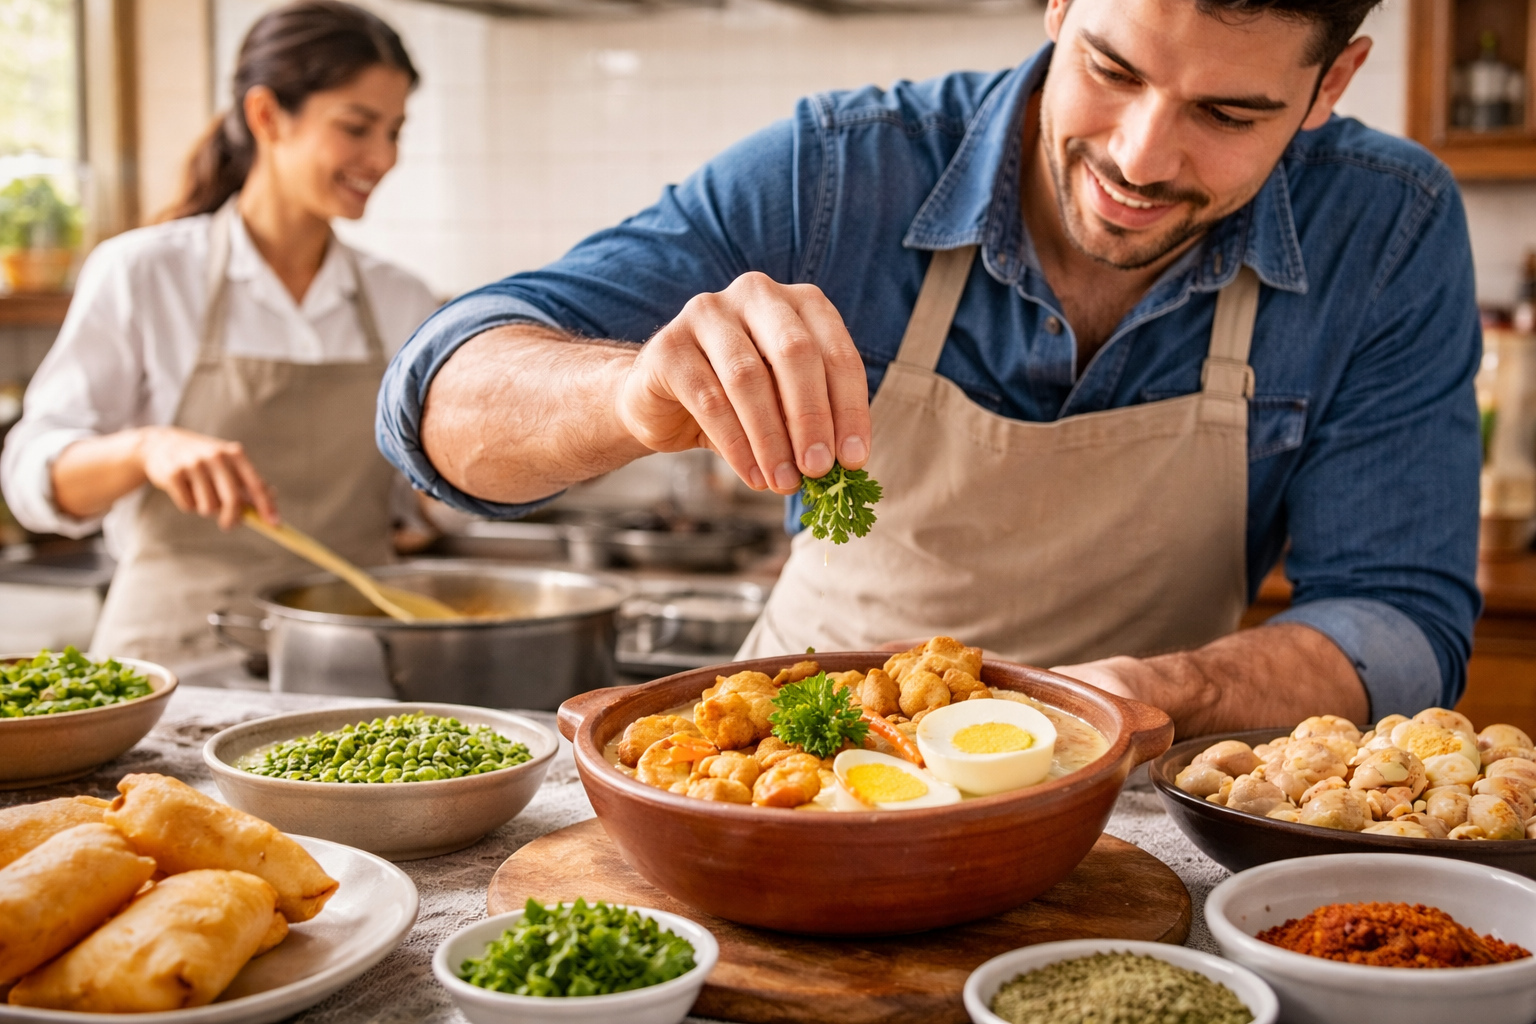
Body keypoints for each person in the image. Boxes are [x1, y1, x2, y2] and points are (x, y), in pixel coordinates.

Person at [377, 0, 1481, 734]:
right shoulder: (839, 171)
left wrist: (1178, 692)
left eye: (1228, 114)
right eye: (1108, 68)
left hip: (1130, 814)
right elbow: (438, 408)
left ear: (1333, 81)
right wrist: (628, 394)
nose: (1140, 159)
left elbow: (1400, 619)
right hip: (793, 776)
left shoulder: (1386, 227)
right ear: (1058, 4)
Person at [1, 1, 439, 666]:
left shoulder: (400, 297)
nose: (383, 158)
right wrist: (145, 449)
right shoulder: (144, 272)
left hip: (350, 673)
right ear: (266, 117)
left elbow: (422, 500)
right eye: (357, 127)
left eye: (395, 131)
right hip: (170, 673)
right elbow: (34, 482)